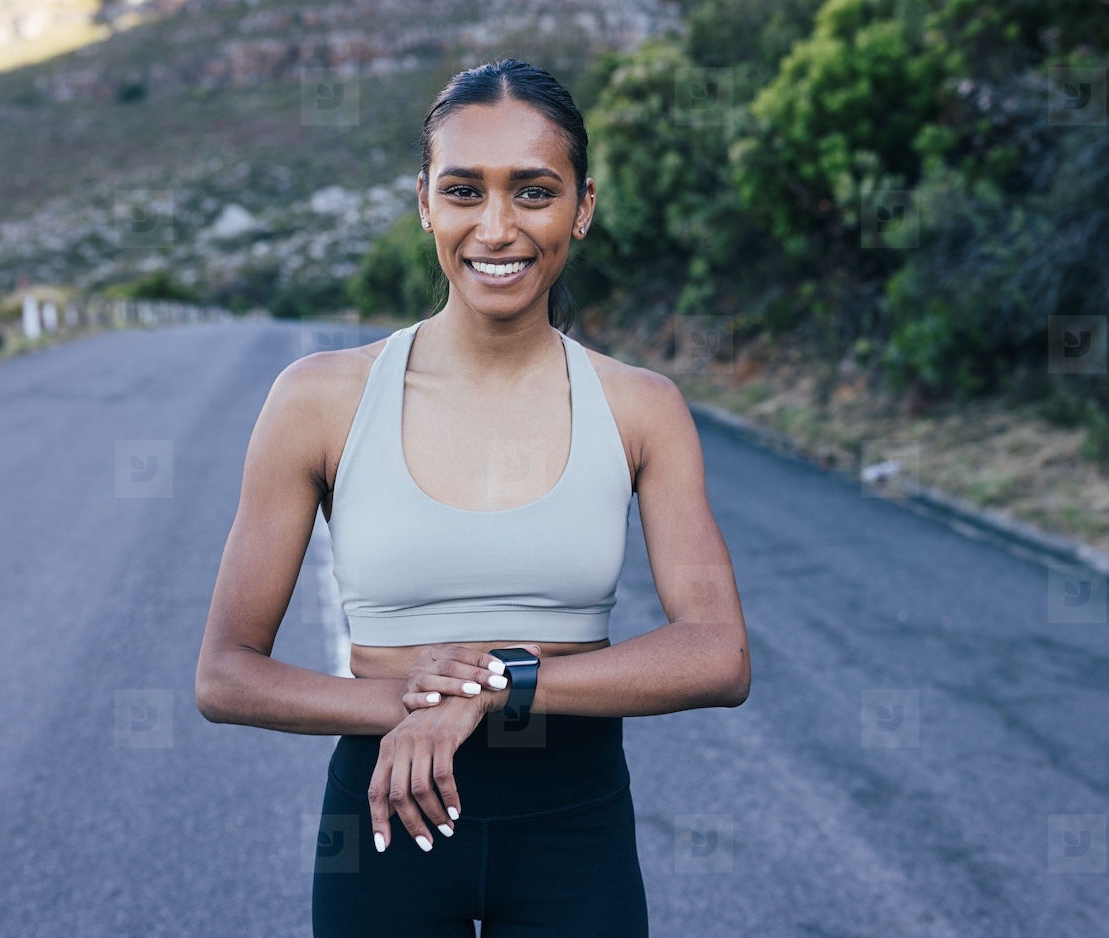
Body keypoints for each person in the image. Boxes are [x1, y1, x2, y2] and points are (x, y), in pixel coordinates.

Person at [195, 58, 751, 938]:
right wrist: (418, 708)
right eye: (464, 191)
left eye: (533, 192)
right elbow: (225, 674)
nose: (496, 229)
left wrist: (497, 686)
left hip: (575, 826)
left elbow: (719, 657)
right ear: (425, 202)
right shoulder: (320, 398)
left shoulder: (641, 406)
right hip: (384, 817)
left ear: (584, 205)